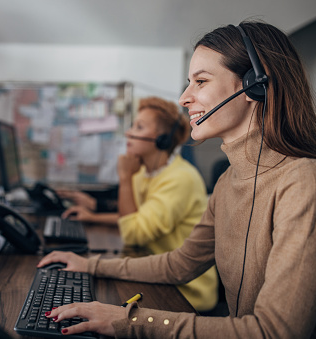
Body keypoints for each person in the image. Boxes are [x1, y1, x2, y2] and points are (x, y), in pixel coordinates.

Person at [38, 20, 316, 338]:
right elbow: (180, 264)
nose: (184, 98)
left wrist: (131, 321)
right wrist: (90, 265)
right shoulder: (229, 180)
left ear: (254, 84)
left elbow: (274, 332)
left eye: (200, 81)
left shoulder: (304, 181)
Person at [61, 96, 218, 311]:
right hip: (150, 274)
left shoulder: (180, 179)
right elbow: (136, 218)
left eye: (139, 127)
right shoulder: (144, 172)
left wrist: (125, 178)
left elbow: (133, 233)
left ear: (161, 139)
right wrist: (93, 216)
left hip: (185, 291)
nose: (128, 133)